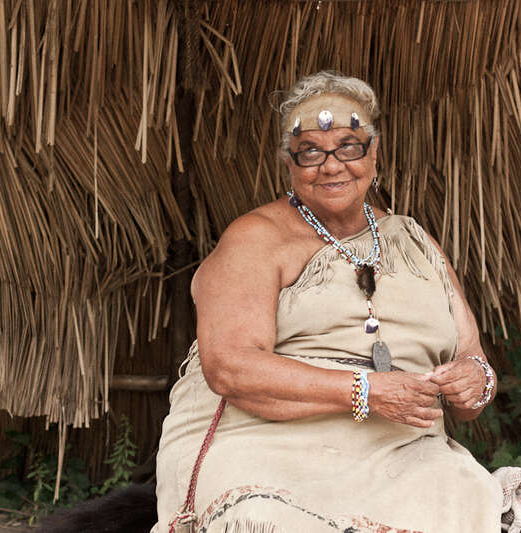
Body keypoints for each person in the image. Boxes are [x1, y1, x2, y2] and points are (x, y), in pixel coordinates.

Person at [151, 71, 503, 533]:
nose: (332, 166)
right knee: (264, 518)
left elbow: (473, 361)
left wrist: (474, 381)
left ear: (374, 153)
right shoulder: (255, 238)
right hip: (270, 443)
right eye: (310, 152)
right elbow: (230, 367)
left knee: (460, 497)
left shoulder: (417, 242)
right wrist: (364, 390)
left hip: (403, 451)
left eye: (349, 147)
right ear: (289, 163)